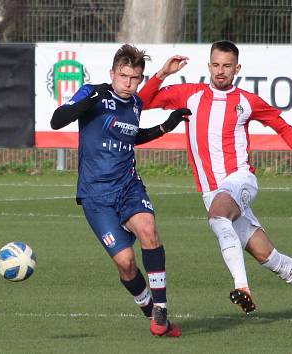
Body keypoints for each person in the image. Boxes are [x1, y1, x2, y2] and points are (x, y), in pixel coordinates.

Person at [138, 40, 292, 322]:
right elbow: (144, 101)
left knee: (217, 216)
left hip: (240, 179)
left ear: (237, 68)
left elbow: (280, 124)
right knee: (267, 256)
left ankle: (241, 286)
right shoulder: (190, 95)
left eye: (227, 66)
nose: (220, 71)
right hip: (212, 191)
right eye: (216, 65)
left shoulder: (246, 101)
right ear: (209, 65)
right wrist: (162, 73)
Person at [50, 44, 190, 337]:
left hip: (128, 186)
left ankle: (161, 307)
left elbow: (130, 136)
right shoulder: (92, 92)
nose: (129, 83)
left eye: (135, 78)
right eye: (124, 76)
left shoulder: (135, 103)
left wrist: (165, 127)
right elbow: (57, 120)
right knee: (126, 264)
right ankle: (152, 311)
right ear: (112, 73)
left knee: (149, 230)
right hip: (95, 196)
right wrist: (91, 101)